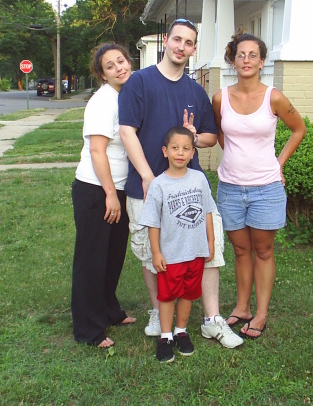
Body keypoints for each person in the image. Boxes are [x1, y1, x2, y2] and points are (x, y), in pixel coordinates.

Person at [119, 18, 243, 349]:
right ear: (166, 41)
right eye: (177, 39)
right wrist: (147, 174)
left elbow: (210, 136)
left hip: (192, 189)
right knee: (151, 253)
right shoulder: (139, 83)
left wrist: (194, 137)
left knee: (208, 248)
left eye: (189, 43)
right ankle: (161, 312)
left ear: (193, 49)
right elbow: (127, 130)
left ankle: (211, 320)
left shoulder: (195, 91)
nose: (181, 47)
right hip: (146, 187)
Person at [212, 32, 306, 339]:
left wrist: (278, 164)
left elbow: (298, 129)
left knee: (263, 251)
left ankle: (261, 313)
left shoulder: (273, 97)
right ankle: (242, 308)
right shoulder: (220, 97)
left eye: (253, 55)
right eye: (241, 55)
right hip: (229, 187)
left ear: (262, 61)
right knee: (241, 251)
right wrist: (236, 161)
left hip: (266, 188)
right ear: (233, 60)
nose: (246, 60)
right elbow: (221, 133)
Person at [71, 43, 136, 348]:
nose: (118, 68)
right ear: (102, 74)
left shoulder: (125, 96)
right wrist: (110, 194)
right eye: (110, 66)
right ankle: (89, 329)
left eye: (121, 61)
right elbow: (97, 150)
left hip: (117, 188)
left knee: (112, 257)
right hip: (96, 190)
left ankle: (109, 310)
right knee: (92, 260)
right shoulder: (103, 101)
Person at [139, 126, 217, 362]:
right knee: (167, 296)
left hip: (195, 252)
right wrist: (156, 252)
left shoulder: (199, 179)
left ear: (193, 153)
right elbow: (153, 222)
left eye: (186, 148)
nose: (180, 153)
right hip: (171, 254)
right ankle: (165, 337)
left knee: (188, 294)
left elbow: (208, 212)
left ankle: (181, 332)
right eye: (175, 148)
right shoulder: (159, 185)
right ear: (165, 151)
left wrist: (210, 243)